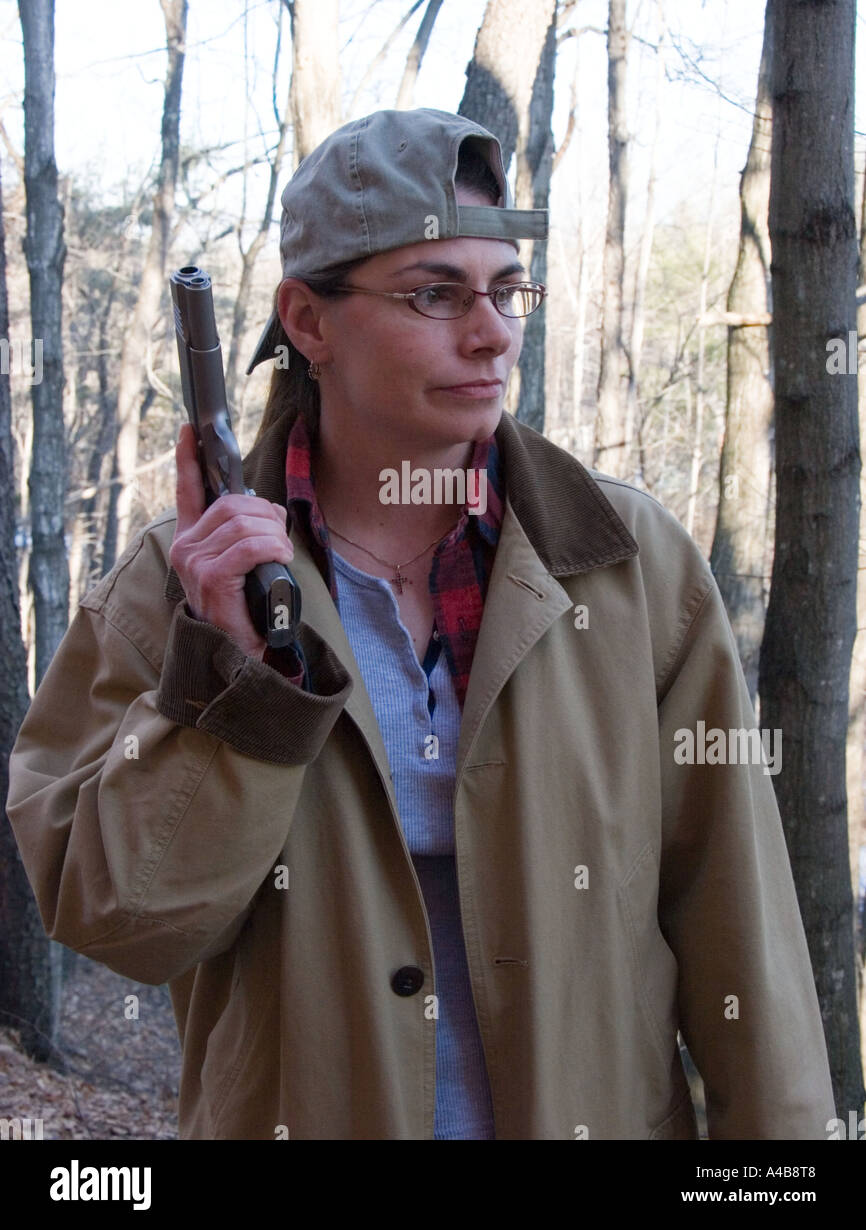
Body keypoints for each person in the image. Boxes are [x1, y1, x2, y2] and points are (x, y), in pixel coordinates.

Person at [7, 108, 835, 1141]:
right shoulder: (173, 589)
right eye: (434, 293)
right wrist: (234, 678)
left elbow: (739, 937)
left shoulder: (629, 568)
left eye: (504, 291)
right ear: (307, 321)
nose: (491, 331)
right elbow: (116, 915)